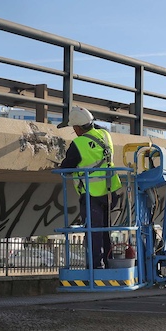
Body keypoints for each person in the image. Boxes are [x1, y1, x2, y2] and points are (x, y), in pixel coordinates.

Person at [57, 106, 121, 269]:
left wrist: (60, 167)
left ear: (78, 128)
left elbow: (67, 167)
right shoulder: (105, 135)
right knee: (105, 231)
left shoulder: (78, 144)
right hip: (110, 192)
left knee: (93, 232)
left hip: (92, 195)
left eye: (74, 128)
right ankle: (108, 262)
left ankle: (95, 268)